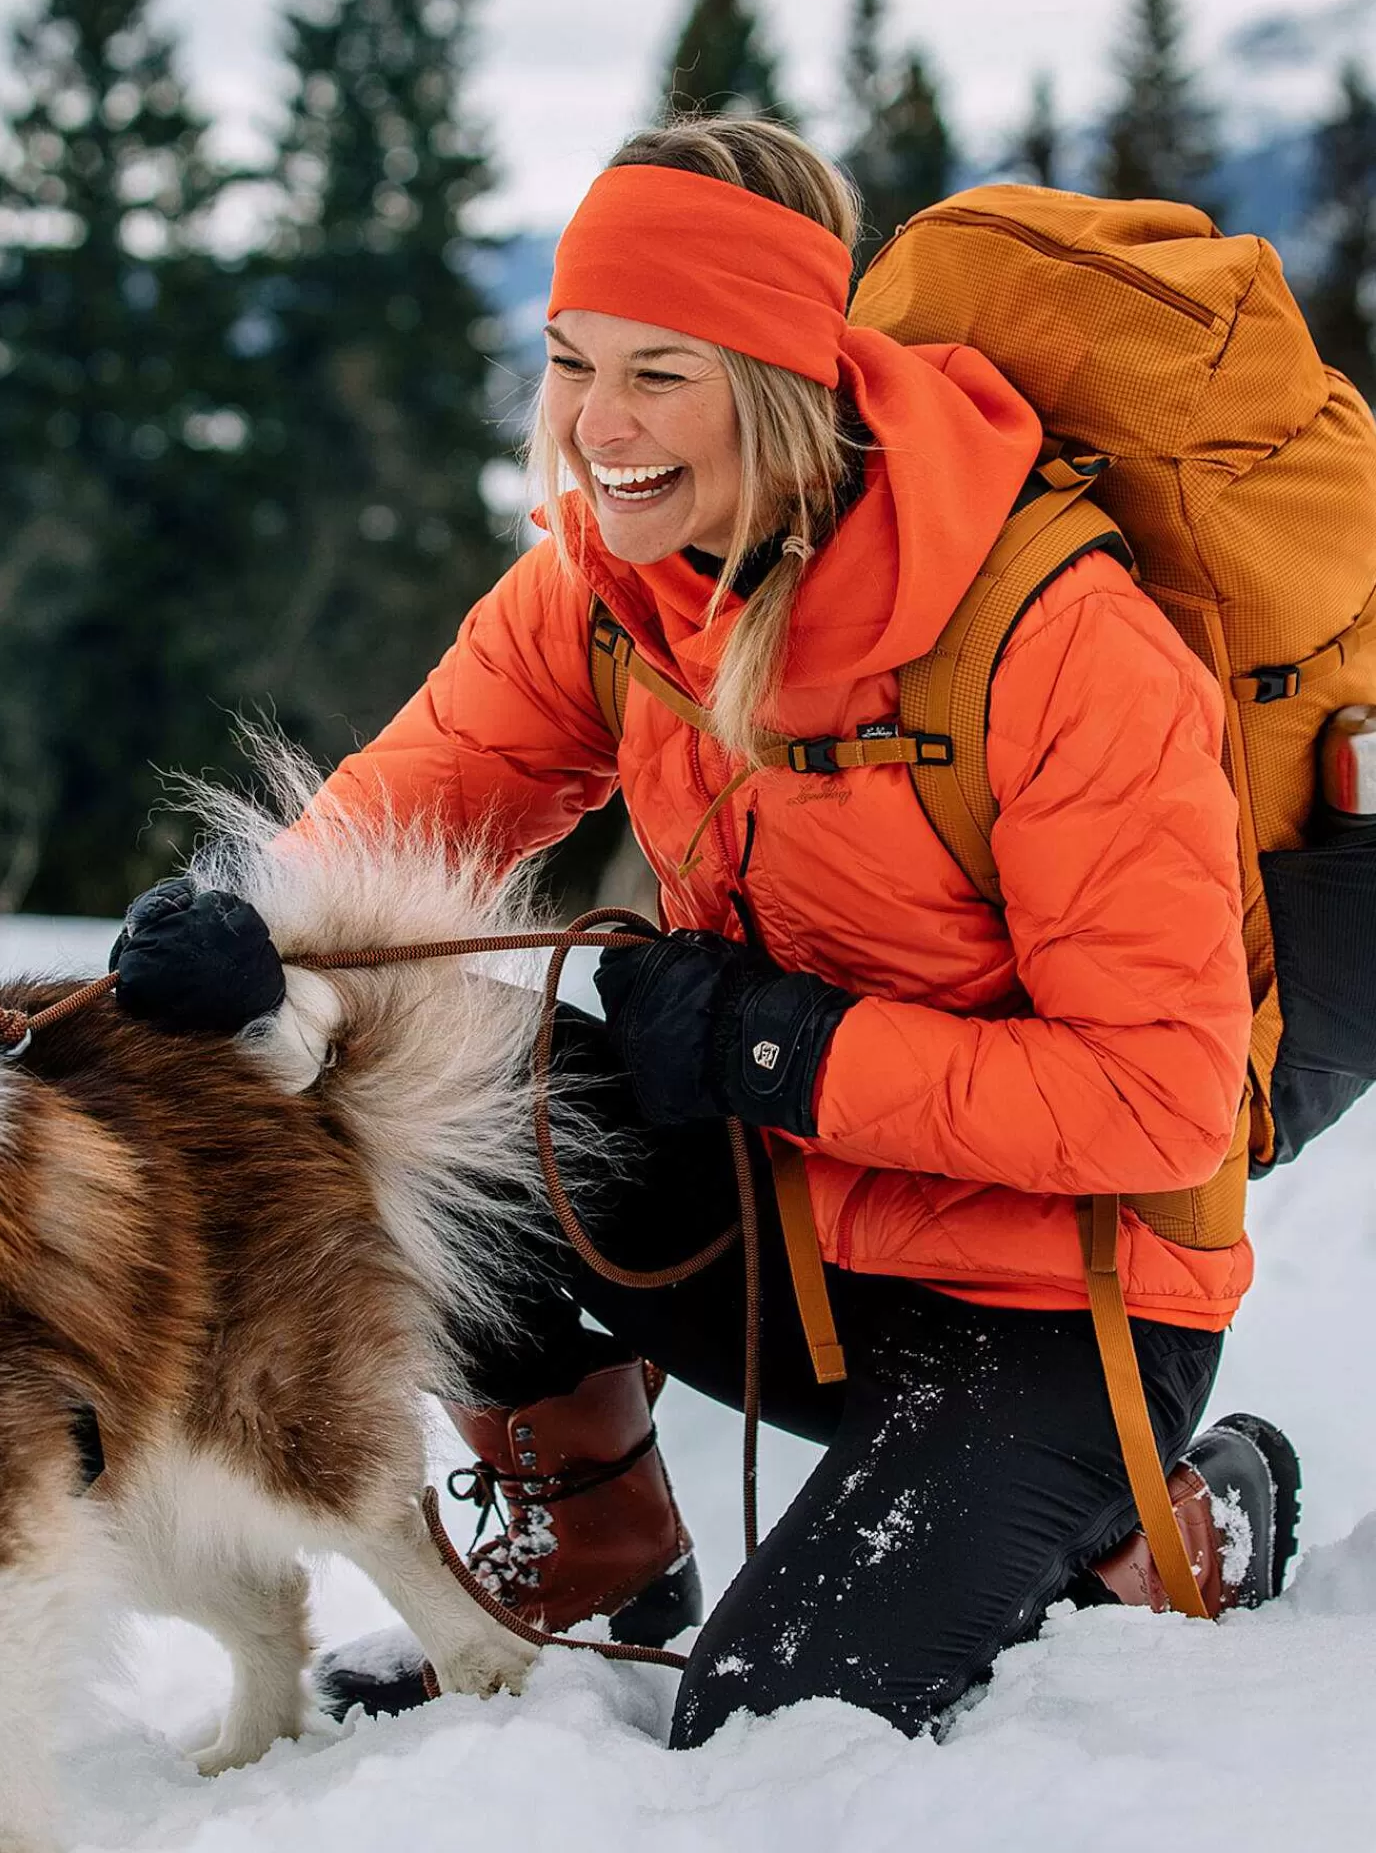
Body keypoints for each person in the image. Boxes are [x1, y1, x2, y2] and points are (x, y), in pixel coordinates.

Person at [110, 118, 1301, 1748]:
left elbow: (1164, 1103)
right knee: (382, 1064)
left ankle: (1162, 1535)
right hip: (783, 1234)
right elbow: (405, 816)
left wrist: (776, 1048)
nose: (598, 428)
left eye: (661, 374)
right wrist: (246, 930)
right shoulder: (613, 587)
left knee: (771, 1724)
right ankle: (592, 1526)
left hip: (1060, 1299)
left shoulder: (1060, 640)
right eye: (570, 361)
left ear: (784, 379)